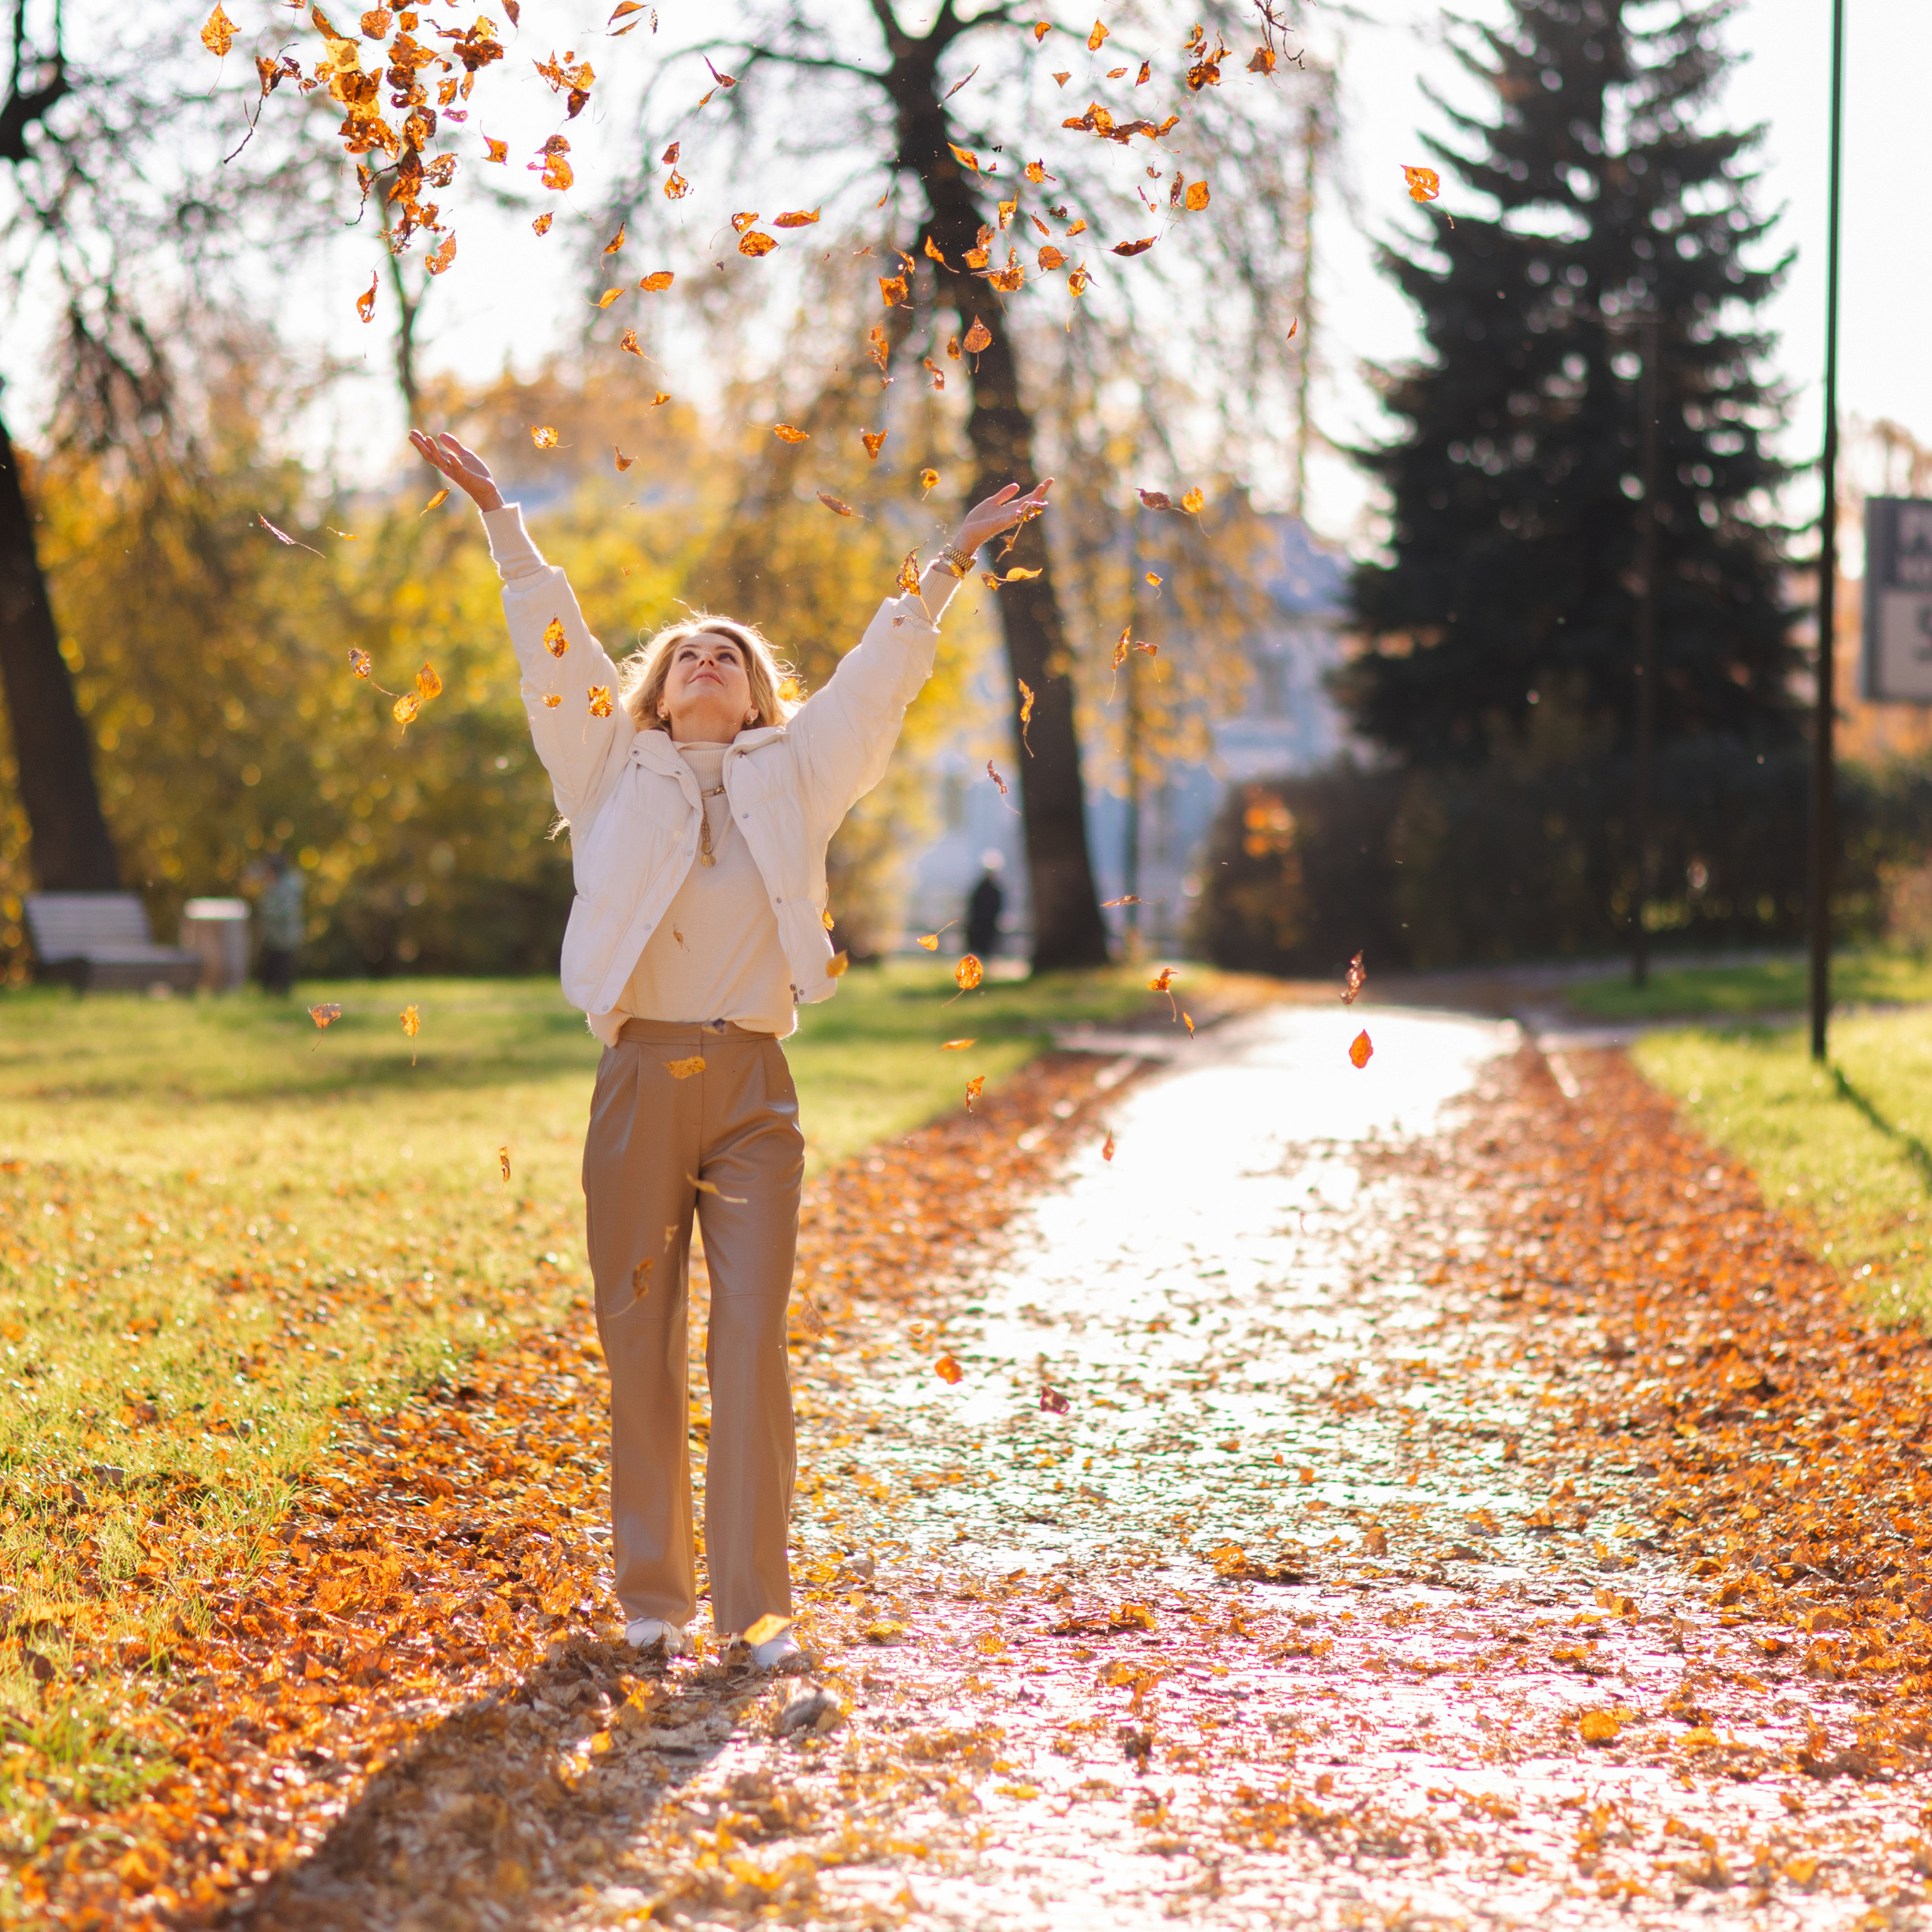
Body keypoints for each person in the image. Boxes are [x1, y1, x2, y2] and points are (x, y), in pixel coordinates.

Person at [411, 426, 1052, 1667]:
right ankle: (654, 1598)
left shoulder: (800, 771)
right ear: (652, 689)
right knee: (639, 1343)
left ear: (759, 696)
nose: (707, 660)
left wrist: (949, 561)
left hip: (756, 1088)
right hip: (641, 1079)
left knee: (750, 1340)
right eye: (685, 654)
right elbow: (554, 652)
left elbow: (877, 679)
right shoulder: (604, 765)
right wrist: (504, 521)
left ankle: (756, 1609)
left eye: (731, 656)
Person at [256, 852, 304, 995]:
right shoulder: (275, 884)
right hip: (273, 935)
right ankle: (268, 992)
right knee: (270, 964)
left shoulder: (288, 885)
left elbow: (288, 911)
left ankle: (283, 993)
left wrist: (268, 913)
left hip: (285, 935)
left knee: (282, 965)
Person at [964, 850, 1004, 959]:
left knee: (987, 948)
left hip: (989, 923)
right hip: (980, 923)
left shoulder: (994, 889)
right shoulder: (982, 888)